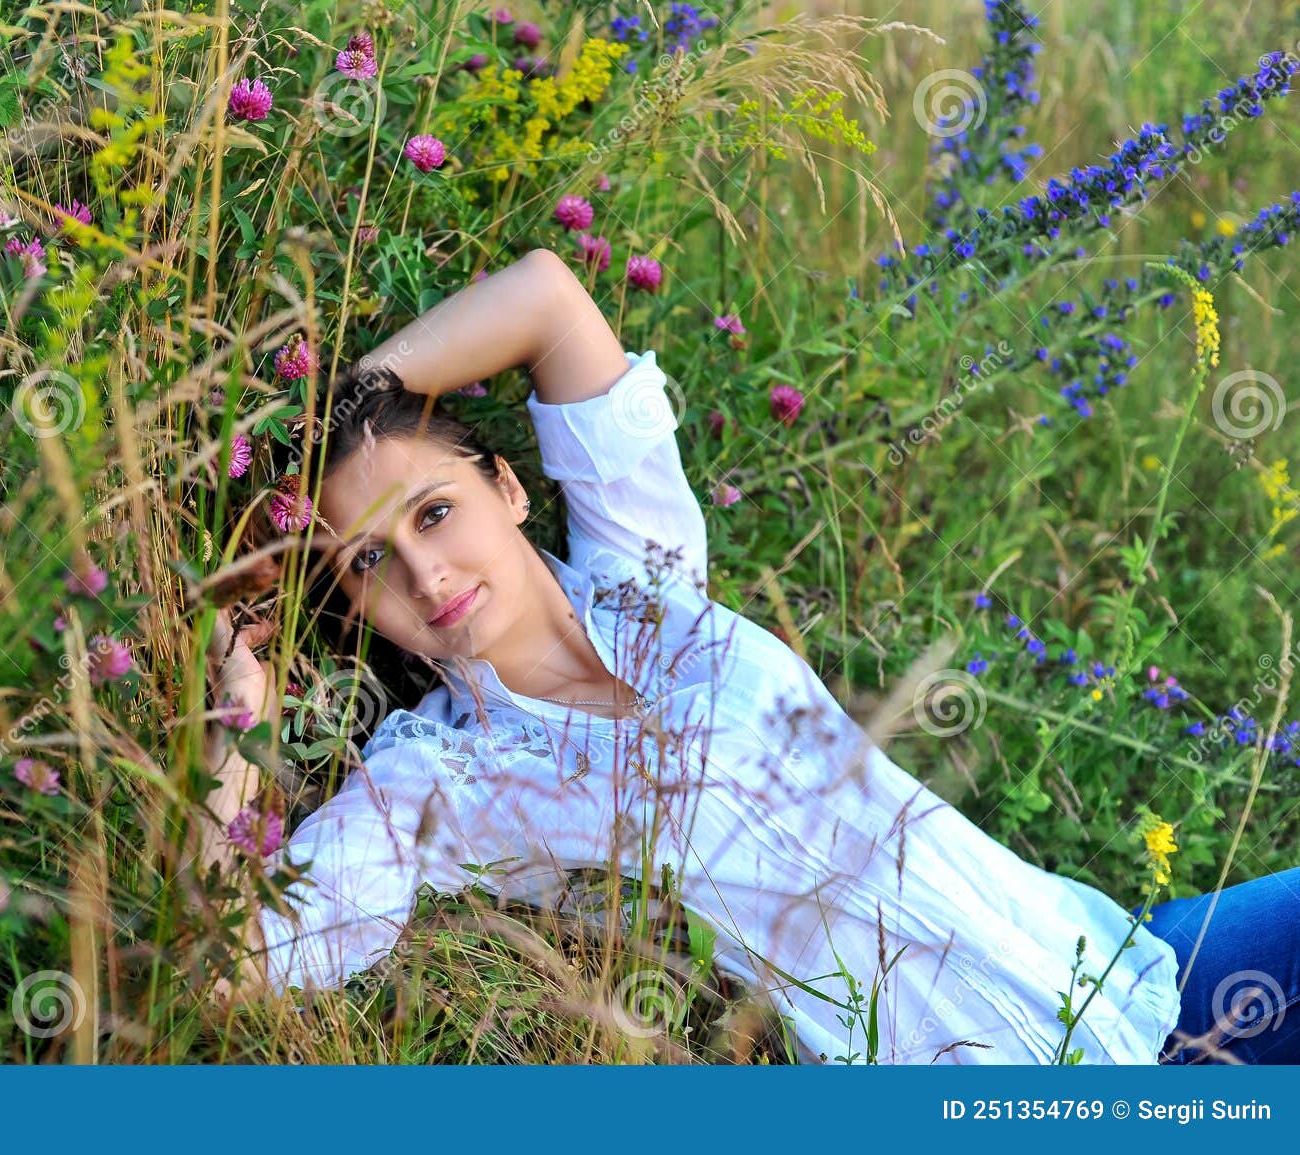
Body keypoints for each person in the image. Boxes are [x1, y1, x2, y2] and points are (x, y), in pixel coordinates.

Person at [195, 247, 1300, 1064]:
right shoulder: (435, 786)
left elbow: (543, 296)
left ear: (509, 486)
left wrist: (333, 414)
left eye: (433, 514)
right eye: (366, 562)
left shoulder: (645, 569)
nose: (424, 579)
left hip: (1125, 966)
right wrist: (230, 713)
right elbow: (227, 973)